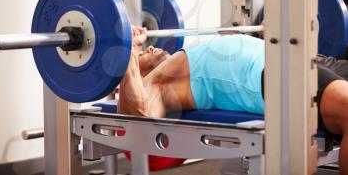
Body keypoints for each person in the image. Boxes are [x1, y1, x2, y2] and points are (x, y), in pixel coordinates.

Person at [118, 26, 348, 174]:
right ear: (133, 72)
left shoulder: (173, 63)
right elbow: (138, 114)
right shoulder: (158, 87)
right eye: (141, 53)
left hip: (306, 58)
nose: (148, 46)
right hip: (274, 74)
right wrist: (126, 49)